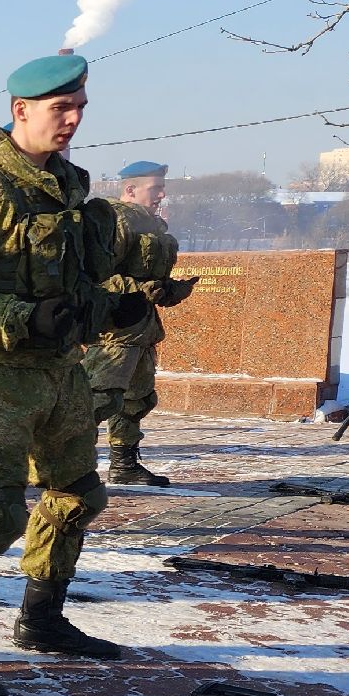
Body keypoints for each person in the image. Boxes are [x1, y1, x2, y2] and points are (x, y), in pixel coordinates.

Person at [0, 54, 154, 696]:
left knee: (77, 494)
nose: (70, 119)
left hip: (60, 375)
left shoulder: (71, 187)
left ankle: (40, 618)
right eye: (58, 109)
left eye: (78, 107)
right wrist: (18, 318)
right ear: (20, 111)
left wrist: (115, 304)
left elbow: (74, 290)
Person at [84, 161, 195, 486]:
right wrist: (137, 289)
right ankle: (72, 469)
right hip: (114, 331)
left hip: (143, 330)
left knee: (137, 400)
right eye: (155, 188)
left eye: (163, 187)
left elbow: (151, 278)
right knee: (97, 400)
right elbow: (94, 278)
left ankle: (124, 464)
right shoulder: (112, 220)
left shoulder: (153, 225)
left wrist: (171, 288)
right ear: (130, 189)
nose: (162, 194)